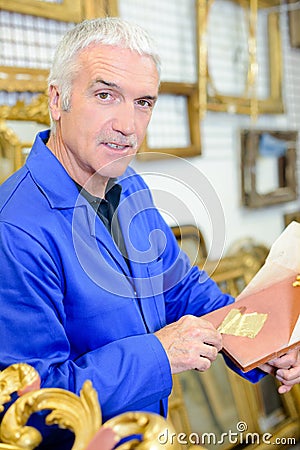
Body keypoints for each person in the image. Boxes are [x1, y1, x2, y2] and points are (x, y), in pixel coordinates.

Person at [0, 17, 299, 449]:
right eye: (106, 95)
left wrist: (267, 347)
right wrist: (159, 354)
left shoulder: (127, 185)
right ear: (57, 100)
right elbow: (28, 409)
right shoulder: (15, 232)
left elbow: (179, 286)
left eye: (144, 102)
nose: (129, 125)